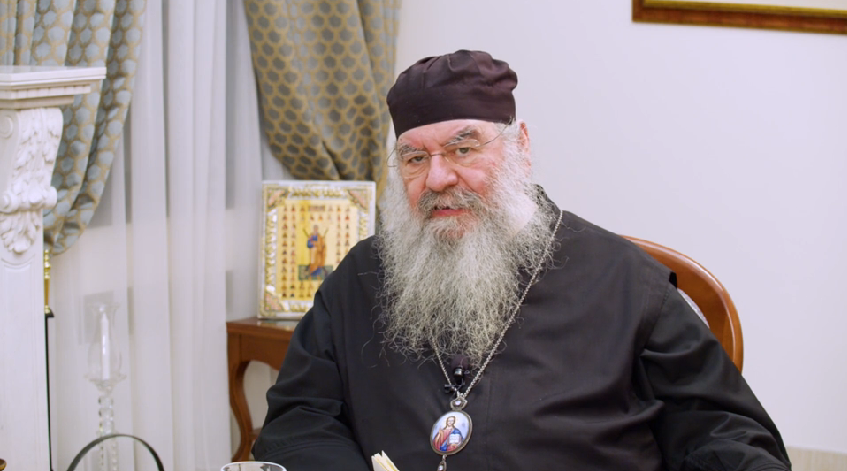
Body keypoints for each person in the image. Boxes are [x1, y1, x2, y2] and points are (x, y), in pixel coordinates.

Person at [254, 50, 791, 471]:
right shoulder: (362, 278)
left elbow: (724, 436)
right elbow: (299, 418)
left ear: (521, 146)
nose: (438, 178)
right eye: (415, 158)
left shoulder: (628, 285)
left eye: (463, 149)